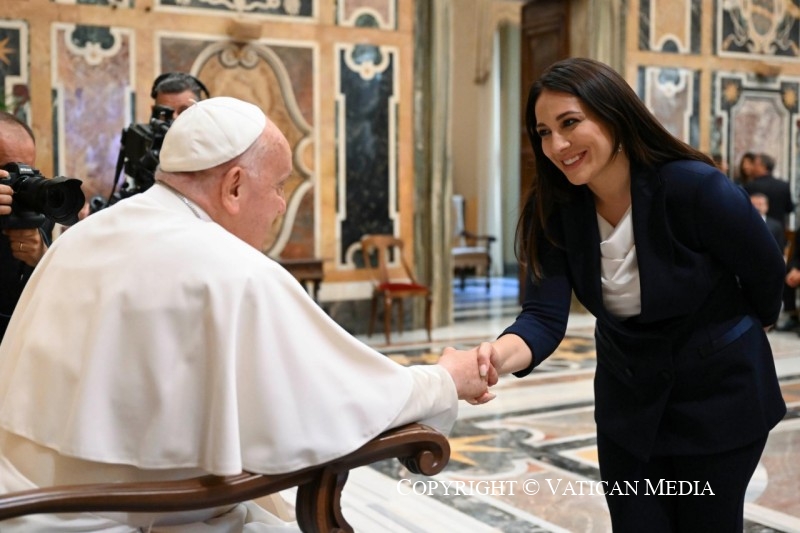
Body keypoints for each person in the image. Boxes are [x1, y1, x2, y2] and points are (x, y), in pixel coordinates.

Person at [0, 97, 495, 531]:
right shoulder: (234, 270)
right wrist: (446, 379)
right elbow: (338, 401)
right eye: (278, 186)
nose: (280, 205)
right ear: (234, 186)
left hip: (27, 507)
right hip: (145, 520)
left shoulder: (84, 236)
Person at [467, 58, 786, 532]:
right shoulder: (555, 208)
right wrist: (494, 357)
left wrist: (741, 333)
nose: (557, 145)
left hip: (718, 401)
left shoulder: (695, 188)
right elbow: (542, 317)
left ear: (614, 114)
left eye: (570, 123)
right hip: (629, 406)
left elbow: (765, 273)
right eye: (544, 132)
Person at [0, 111, 52, 341]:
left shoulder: (36, 211)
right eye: (8, 171)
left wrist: (41, 256)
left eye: (27, 170)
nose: (20, 181)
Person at [743, 152, 794, 230]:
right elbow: (789, 208)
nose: (753, 167)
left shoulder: (750, 186)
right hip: (778, 231)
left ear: (763, 166)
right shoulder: (784, 185)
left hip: (757, 229)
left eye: (755, 164)